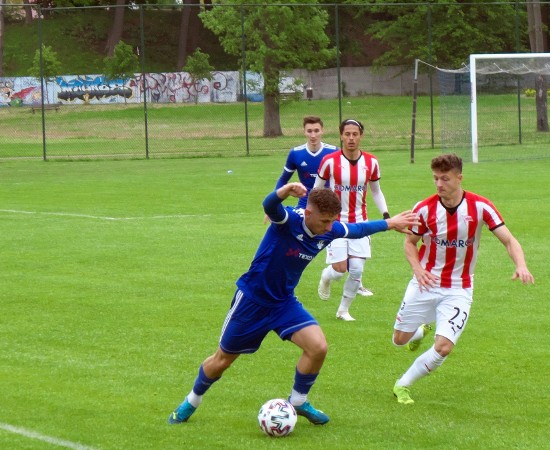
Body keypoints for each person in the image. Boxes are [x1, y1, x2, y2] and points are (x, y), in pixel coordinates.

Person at [168, 184, 417, 425]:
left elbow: (357, 229)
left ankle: (298, 401)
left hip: (284, 303)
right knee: (223, 359)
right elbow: (270, 205)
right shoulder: (288, 221)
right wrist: (283, 192)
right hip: (252, 301)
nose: (329, 227)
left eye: (332, 221)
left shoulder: (330, 229)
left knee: (318, 347)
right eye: (324, 221)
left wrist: (389, 223)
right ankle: (192, 401)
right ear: (308, 213)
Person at [390, 153, 535, 405]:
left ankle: (402, 385)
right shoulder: (424, 208)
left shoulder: (480, 206)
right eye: (435, 178)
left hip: (459, 287)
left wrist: (521, 265)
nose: (438, 184)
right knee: (399, 340)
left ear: (459, 178)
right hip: (425, 283)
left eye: (444, 179)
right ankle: (420, 329)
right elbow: (410, 243)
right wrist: (417, 268)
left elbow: (509, 240)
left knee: (444, 347)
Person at [268, 115, 373, 297]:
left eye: (316, 130)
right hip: (305, 204)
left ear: (322, 131)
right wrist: (275, 202)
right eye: (309, 131)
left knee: (349, 239)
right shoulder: (296, 153)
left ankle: (357, 280)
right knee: (297, 243)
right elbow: (283, 180)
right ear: (304, 132)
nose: (313, 135)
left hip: (329, 205)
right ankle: (288, 283)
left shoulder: (332, 153)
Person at [314, 119, 390, 320]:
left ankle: (343, 310)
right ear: (341, 135)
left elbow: (376, 191)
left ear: (361, 136)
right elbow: (317, 189)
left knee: (356, 269)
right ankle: (326, 276)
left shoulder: (371, 162)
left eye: (355, 134)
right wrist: (315, 214)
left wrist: (386, 214)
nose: (351, 138)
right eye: (347, 134)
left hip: (361, 223)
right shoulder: (329, 161)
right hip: (336, 222)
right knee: (339, 270)